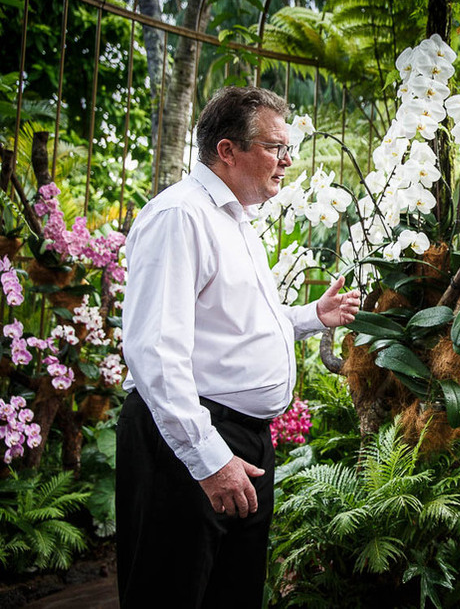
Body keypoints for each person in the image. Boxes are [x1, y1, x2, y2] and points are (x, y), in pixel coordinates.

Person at [116, 86, 360, 608]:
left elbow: (233, 328)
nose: (287, 161)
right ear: (227, 150)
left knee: (232, 594)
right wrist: (208, 459)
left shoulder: (235, 220)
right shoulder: (180, 216)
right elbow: (155, 351)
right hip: (187, 439)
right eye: (275, 147)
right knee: (172, 592)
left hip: (242, 439)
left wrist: (310, 318)